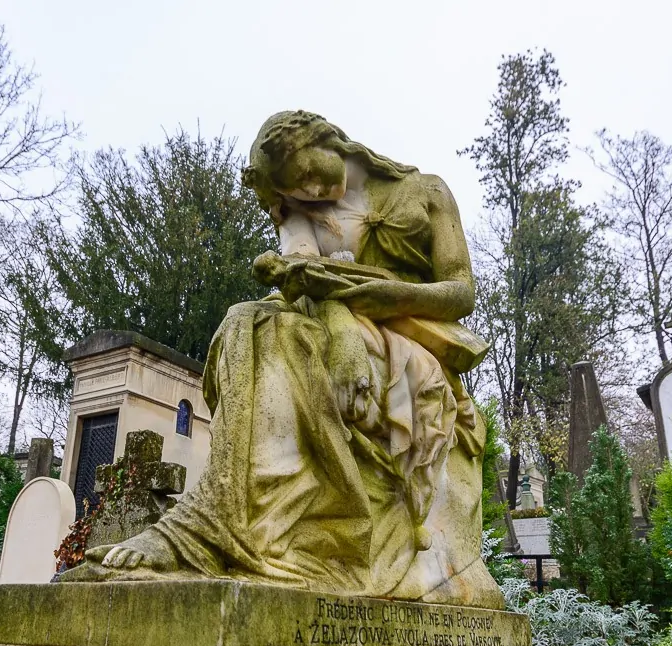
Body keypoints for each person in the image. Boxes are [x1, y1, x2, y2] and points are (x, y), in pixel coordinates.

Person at [72, 111, 502, 609]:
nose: (313, 188)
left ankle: (230, 531)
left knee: (283, 338)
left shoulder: (427, 192)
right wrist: (341, 329)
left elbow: (460, 292)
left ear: (326, 139)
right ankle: (213, 524)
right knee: (247, 323)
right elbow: (302, 280)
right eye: (297, 188)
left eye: (309, 171)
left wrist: (376, 292)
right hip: (329, 322)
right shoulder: (299, 211)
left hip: (407, 338)